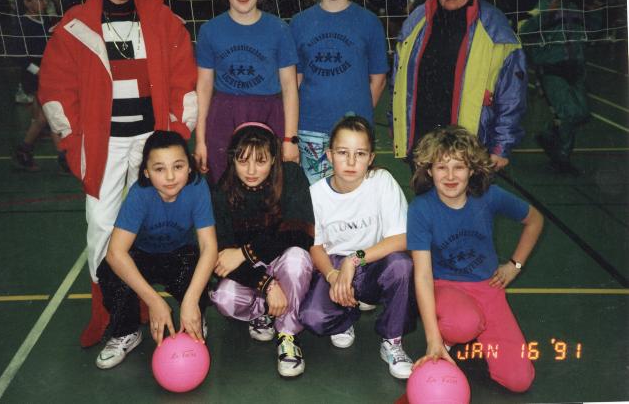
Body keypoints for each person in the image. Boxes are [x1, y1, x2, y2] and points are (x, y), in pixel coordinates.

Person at [38, 0, 198, 348]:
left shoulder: (163, 19)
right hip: (104, 144)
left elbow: (185, 81)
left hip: (151, 143)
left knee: (146, 225)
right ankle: (107, 313)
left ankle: (142, 305)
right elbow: (55, 91)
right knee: (101, 227)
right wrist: (74, 144)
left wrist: (175, 138)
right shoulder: (75, 25)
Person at [407, 125, 544, 392]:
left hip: (488, 288)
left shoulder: (488, 197)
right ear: (429, 171)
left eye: (458, 167)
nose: (449, 176)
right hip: (444, 286)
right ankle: (450, 335)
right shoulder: (421, 209)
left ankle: (477, 328)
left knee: (519, 381)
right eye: (441, 167)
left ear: (472, 170)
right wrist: (433, 339)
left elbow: (535, 220)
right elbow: (422, 274)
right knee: (463, 323)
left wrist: (514, 265)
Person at [299, 116, 416, 379]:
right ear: (329, 155)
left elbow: (403, 238)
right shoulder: (316, 194)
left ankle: (392, 340)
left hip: (373, 261)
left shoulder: (382, 182)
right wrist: (332, 275)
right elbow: (315, 246)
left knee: (402, 265)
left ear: (371, 157)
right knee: (313, 318)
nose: (351, 162)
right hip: (335, 266)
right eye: (343, 153)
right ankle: (345, 314)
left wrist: (355, 259)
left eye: (360, 154)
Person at [391, 0, 527, 171]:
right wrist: (396, 126)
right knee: (427, 203)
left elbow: (511, 94)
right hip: (422, 139)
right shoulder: (417, 19)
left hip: (468, 147)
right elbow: (398, 80)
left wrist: (501, 146)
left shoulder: (496, 29)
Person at [95, 131, 217, 369]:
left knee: (197, 270)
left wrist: (191, 301)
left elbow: (209, 246)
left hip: (180, 255)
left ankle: (194, 316)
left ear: (190, 167)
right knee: (110, 272)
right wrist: (154, 302)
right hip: (143, 256)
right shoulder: (140, 195)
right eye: (160, 169)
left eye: (178, 166)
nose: (170, 177)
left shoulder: (197, 187)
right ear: (146, 172)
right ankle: (126, 332)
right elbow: (115, 253)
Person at [209, 122, 314, 377]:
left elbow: (299, 234)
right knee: (223, 297)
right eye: (243, 161)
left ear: (274, 159)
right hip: (254, 274)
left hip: (282, 260)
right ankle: (264, 312)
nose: (252, 171)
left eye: (261, 161)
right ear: (232, 160)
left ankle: (288, 334)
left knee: (297, 258)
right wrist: (266, 284)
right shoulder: (221, 193)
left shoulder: (291, 175)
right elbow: (222, 259)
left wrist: (244, 253)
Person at [194, 0, 300, 184]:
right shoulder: (210, 30)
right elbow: (203, 87)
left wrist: (289, 139)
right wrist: (200, 140)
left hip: (268, 115)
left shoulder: (279, 29)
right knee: (223, 186)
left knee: (268, 187)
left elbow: (290, 87)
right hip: (223, 116)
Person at [290, 0, 389, 184]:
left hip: (354, 134)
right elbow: (294, 83)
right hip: (310, 129)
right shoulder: (299, 23)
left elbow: (378, 79)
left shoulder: (369, 22)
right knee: (317, 203)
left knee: (353, 201)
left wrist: (358, 118)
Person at [519, 0, 590, 175]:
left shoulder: (575, 7)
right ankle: (562, 159)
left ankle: (549, 135)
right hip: (552, 68)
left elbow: (585, 35)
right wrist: (544, 17)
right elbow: (523, 32)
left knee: (583, 113)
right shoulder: (540, 7)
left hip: (575, 67)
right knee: (569, 113)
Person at [11, 0, 68, 173]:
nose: (44, 2)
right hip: (34, 74)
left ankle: (26, 151)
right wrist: (40, 72)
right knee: (49, 115)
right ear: (27, 2)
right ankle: (62, 156)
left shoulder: (46, 22)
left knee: (45, 117)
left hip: (48, 73)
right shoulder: (22, 24)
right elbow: (19, 57)